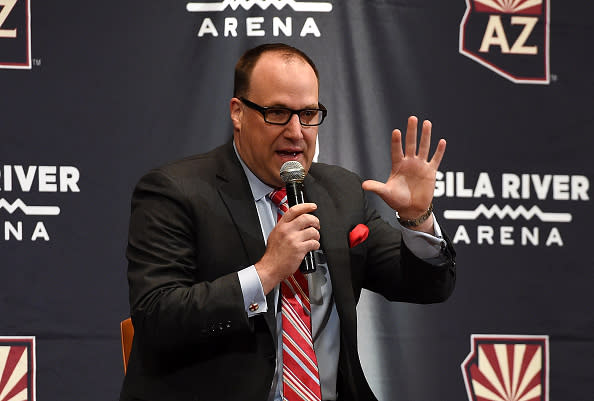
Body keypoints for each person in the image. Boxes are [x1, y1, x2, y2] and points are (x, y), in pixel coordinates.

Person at [119, 43, 456, 401]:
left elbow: (429, 287)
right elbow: (156, 317)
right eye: (278, 112)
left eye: (308, 114)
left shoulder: (340, 192)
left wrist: (416, 219)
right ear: (238, 112)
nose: (296, 131)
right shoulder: (175, 191)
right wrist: (265, 273)